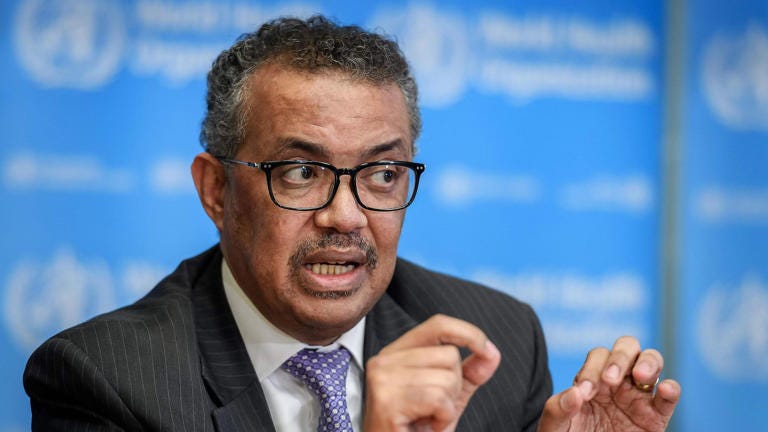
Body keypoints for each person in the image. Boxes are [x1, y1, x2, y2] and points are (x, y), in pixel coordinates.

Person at [23, 15, 680, 431]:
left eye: (382, 173)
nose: (346, 215)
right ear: (216, 190)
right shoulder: (106, 380)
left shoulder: (498, 344)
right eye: (300, 172)